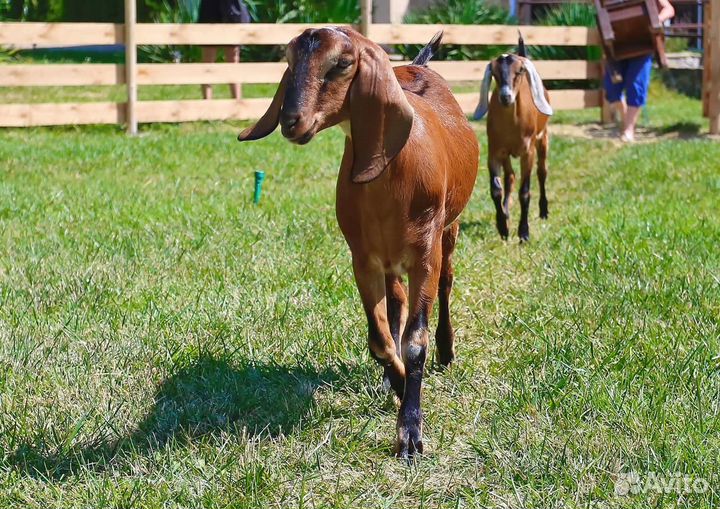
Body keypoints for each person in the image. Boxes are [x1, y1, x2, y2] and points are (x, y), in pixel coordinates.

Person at [603, 0, 675, 142]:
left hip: (643, 45)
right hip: (617, 46)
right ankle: (626, 121)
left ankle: (629, 130)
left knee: (636, 86)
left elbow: (669, 9)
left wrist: (657, 20)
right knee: (611, 89)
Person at [197, 0, 251, 100]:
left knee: (233, 58)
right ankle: (206, 103)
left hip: (231, 6)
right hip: (210, 7)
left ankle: (237, 102)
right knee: (208, 59)